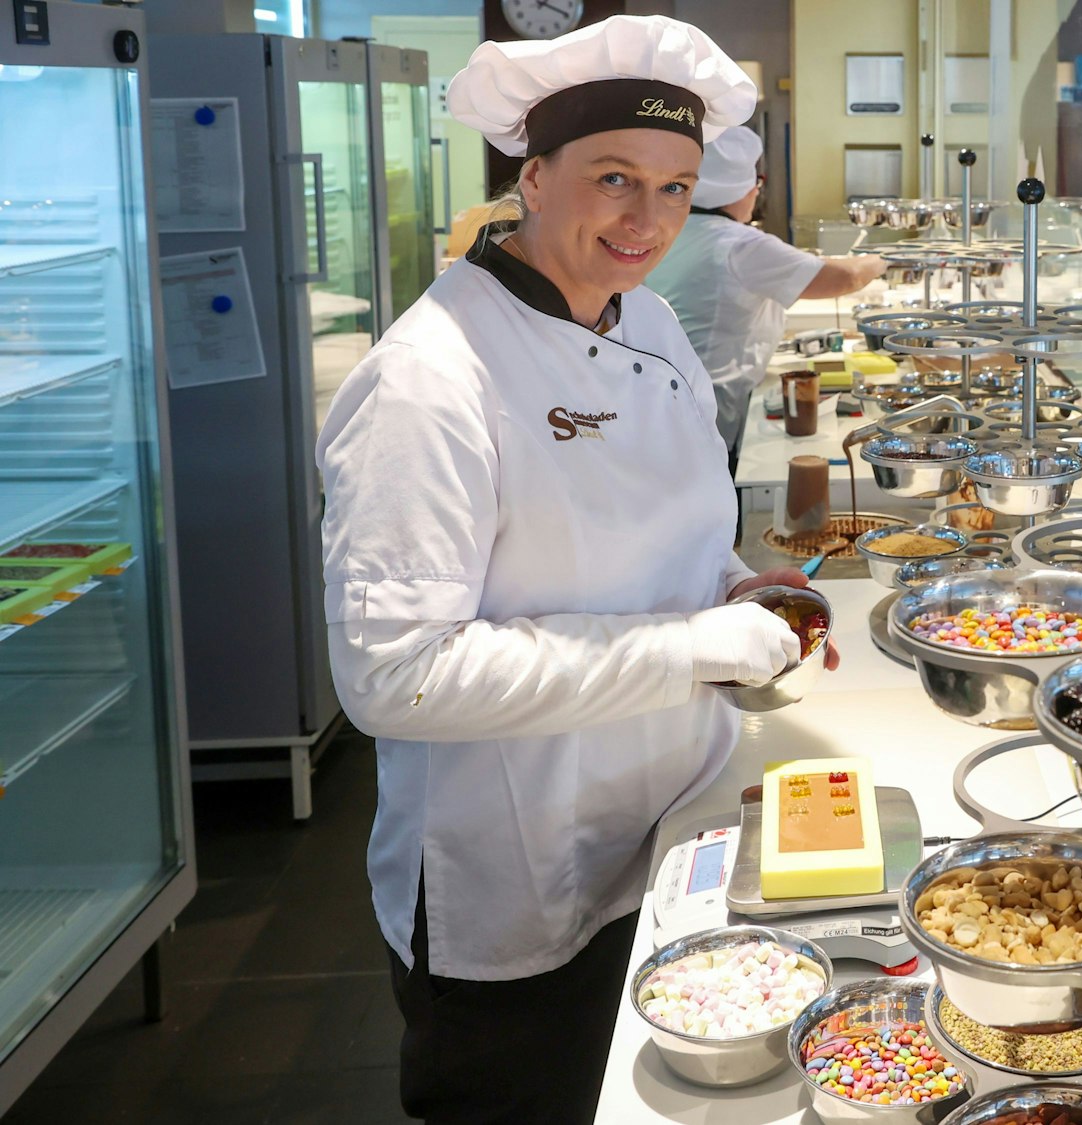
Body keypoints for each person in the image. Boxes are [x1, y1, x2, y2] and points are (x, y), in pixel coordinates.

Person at [315, 16, 836, 1123]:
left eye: (673, 186)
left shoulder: (644, 318)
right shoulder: (429, 380)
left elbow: (673, 520)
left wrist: (738, 585)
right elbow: (395, 677)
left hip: (669, 830)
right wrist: (695, 649)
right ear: (533, 176)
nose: (645, 219)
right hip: (518, 883)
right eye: (613, 177)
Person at [647, 125, 886, 464]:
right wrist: (887, 259)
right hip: (707, 408)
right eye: (757, 185)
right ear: (742, 188)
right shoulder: (738, 244)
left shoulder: (669, 231)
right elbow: (843, 277)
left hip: (659, 406)